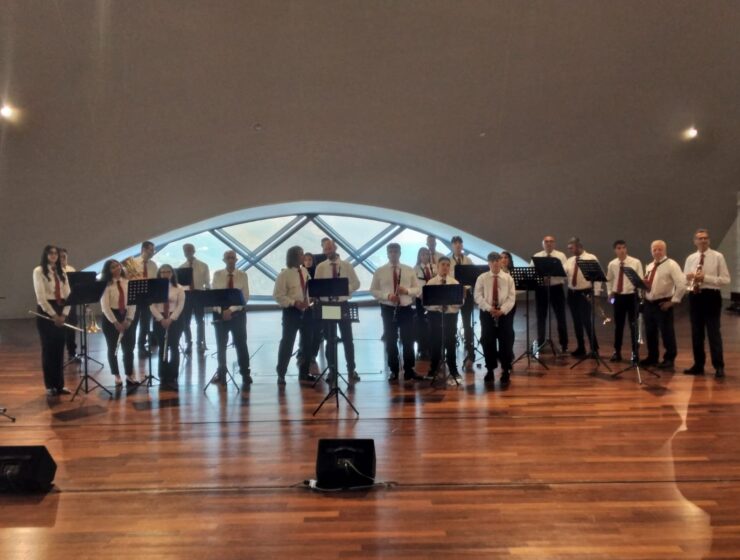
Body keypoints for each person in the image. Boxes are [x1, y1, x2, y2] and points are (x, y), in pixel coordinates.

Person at [370, 242, 424, 382]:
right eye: (391, 252)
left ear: (400, 253)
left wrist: (406, 291)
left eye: (395, 252)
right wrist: (387, 296)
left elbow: (417, 289)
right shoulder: (380, 271)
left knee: (408, 340)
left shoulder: (408, 270)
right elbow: (373, 290)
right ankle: (393, 370)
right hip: (388, 309)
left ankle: (409, 370)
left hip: (405, 308)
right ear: (387, 254)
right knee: (391, 340)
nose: (393, 254)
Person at [683, 229, 731, 378]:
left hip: (711, 297)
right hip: (695, 297)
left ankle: (719, 366)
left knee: (713, 333)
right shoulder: (690, 258)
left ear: (709, 240)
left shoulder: (718, 256)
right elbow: (684, 280)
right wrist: (688, 279)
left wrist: (705, 278)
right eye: (700, 238)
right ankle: (698, 365)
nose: (703, 240)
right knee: (696, 333)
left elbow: (726, 279)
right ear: (695, 241)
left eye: (705, 238)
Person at [312, 239, 361, 382]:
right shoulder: (321, 267)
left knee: (347, 339)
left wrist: (344, 288)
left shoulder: (346, 265)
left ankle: (351, 369)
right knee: (330, 339)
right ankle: (332, 371)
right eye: (325, 249)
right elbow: (316, 287)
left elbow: (356, 283)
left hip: (342, 304)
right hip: (328, 306)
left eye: (330, 248)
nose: (328, 251)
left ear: (335, 248)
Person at [32, 245, 72, 396]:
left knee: (59, 350)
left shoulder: (62, 271)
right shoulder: (39, 271)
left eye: (56, 253)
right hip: (47, 311)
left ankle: (59, 385)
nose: (54, 256)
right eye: (51, 253)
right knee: (48, 350)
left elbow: (68, 295)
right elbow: (41, 298)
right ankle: (50, 386)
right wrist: (54, 316)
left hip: (61, 309)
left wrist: (64, 315)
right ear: (46, 255)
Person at [274, 246, 316, 384]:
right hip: (291, 312)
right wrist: (294, 303)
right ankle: (281, 373)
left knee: (307, 344)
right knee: (287, 343)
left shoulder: (304, 271)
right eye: (301, 254)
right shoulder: (284, 275)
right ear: (293, 257)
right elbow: (278, 296)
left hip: (307, 311)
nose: (303, 256)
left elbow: (309, 288)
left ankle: (304, 373)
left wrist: (311, 299)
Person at [641, 240, 686, 369]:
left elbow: (682, 285)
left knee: (667, 333)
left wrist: (673, 301)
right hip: (649, 303)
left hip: (663, 304)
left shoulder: (672, 265)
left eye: (660, 249)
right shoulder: (650, 266)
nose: (657, 252)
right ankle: (652, 357)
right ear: (651, 251)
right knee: (650, 332)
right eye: (654, 249)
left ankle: (669, 359)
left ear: (665, 250)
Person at [474, 252, 516, 385]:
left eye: (497, 260)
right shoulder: (482, 278)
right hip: (487, 313)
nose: (495, 263)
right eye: (492, 261)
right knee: (488, 341)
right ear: (488, 263)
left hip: (504, 313)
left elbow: (511, 298)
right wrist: (489, 308)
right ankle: (490, 370)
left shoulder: (508, 278)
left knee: (506, 342)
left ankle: (506, 370)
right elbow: (477, 296)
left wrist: (502, 310)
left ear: (500, 262)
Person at [212, 250, 252, 386]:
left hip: (237, 314)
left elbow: (245, 297)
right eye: (228, 257)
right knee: (221, 345)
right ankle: (221, 373)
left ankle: (245, 373)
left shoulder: (242, 275)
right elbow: (214, 296)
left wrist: (230, 310)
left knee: (241, 343)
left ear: (236, 260)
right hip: (220, 314)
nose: (230, 260)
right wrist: (222, 311)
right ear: (224, 260)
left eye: (232, 258)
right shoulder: (217, 275)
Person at [99, 259, 137, 387]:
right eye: (113, 267)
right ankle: (116, 375)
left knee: (129, 348)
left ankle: (129, 374)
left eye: (118, 266)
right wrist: (115, 322)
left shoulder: (127, 282)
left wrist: (129, 319)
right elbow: (105, 307)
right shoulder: (106, 285)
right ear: (108, 271)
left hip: (126, 315)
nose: (117, 268)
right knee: (113, 348)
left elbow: (132, 303)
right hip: (111, 318)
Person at [605, 240, 644, 362]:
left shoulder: (635, 262)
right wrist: (610, 293)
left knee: (633, 326)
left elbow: (640, 280)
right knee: (619, 326)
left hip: (632, 296)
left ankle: (635, 352)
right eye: (618, 248)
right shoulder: (612, 264)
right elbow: (609, 280)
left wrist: (640, 296)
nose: (621, 250)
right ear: (615, 250)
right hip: (619, 297)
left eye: (623, 248)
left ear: (626, 249)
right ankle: (617, 351)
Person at [564, 237, 603, 357]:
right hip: (572, 293)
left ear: (579, 246)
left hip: (585, 293)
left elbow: (598, 278)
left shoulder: (591, 258)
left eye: (571, 248)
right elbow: (564, 273)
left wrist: (596, 294)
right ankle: (581, 347)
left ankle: (594, 348)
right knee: (576, 321)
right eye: (569, 248)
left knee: (586, 321)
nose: (570, 250)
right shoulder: (570, 260)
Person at [150, 265, 186, 390]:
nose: (165, 274)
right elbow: (152, 305)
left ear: (172, 273)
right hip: (159, 320)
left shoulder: (179, 288)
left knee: (174, 347)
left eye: (168, 272)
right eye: (163, 272)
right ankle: (163, 374)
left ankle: (173, 374)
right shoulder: (154, 288)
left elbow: (180, 305)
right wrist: (161, 319)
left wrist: (171, 319)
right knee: (162, 347)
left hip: (175, 320)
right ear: (159, 274)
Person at [531, 235, 569, 355]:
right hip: (541, 289)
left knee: (561, 317)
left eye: (551, 241)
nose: (549, 243)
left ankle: (564, 345)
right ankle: (541, 342)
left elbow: (565, 272)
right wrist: (541, 278)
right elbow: (531, 272)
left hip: (556, 288)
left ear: (554, 243)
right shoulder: (537, 256)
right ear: (543, 243)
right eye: (546, 241)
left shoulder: (561, 256)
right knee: (540, 317)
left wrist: (551, 274)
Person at [424, 257, 461, 380]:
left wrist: (449, 304)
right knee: (435, 342)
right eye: (443, 264)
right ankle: (433, 368)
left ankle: (453, 369)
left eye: (447, 265)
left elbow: (460, 303)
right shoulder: (431, 283)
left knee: (450, 342)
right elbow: (426, 304)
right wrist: (438, 306)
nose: (445, 267)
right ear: (438, 266)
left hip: (450, 316)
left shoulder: (455, 283)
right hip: (435, 316)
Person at [126, 241, 158, 358]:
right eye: (151, 250)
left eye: (153, 250)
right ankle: (130, 347)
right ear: (143, 249)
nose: (153, 252)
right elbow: (127, 280)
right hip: (134, 297)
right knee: (133, 323)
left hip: (147, 298)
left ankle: (141, 347)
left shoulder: (153, 265)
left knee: (145, 324)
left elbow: (154, 282)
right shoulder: (132, 263)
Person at [179, 243, 210, 355]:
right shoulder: (181, 267)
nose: (187, 252)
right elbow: (180, 285)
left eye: (189, 250)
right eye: (185, 251)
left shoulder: (203, 265)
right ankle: (189, 343)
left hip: (199, 294)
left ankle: (200, 342)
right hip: (186, 295)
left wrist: (207, 296)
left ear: (194, 251)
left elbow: (207, 283)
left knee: (200, 320)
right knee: (185, 321)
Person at [449, 236, 475, 367]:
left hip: (466, 294)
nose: (458, 245)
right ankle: (451, 348)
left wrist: (466, 288)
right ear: (452, 246)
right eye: (455, 243)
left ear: (462, 245)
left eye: (460, 243)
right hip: (453, 294)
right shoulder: (448, 261)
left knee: (467, 322)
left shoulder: (468, 260)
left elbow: (472, 277)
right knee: (452, 322)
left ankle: (470, 350)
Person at [413, 247, 435, 360]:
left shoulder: (434, 267)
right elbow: (414, 284)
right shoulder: (415, 269)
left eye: (427, 254)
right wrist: (419, 295)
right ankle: (422, 348)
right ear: (419, 256)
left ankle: (432, 347)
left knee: (432, 323)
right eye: (422, 254)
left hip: (433, 299)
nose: (425, 256)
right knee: (421, 323)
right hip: (420, 298)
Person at [59, 248, 80, 362]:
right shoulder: (53, 272)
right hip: (58, 302)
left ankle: (72, 352)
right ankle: (57, 354)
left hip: (70, 302)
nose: (63, 259)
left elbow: (75, 287)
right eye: (60, 257)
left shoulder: (71, 269)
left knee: (71, 328)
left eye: (64, 257)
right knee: (59, 329)